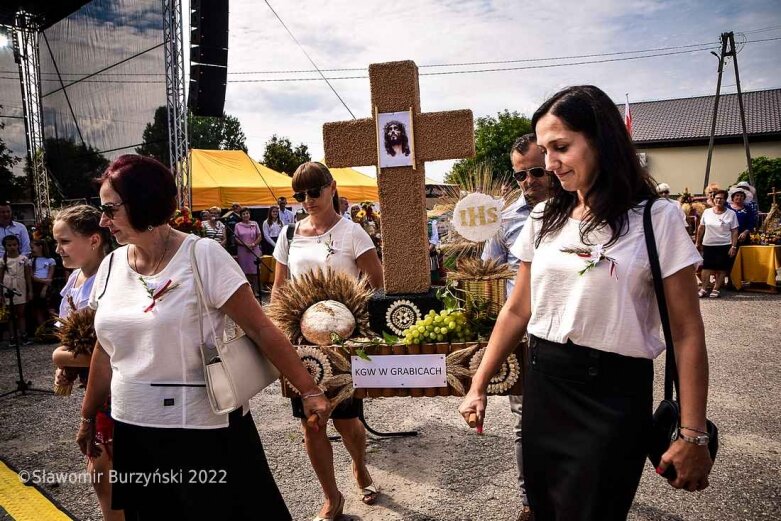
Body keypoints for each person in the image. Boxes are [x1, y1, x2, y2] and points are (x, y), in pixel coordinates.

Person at [460, 86, 713, 520]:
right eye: (544, 150)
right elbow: (518, 309)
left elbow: (687, 332)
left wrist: (693, 434)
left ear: (602, 140)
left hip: (612, 396)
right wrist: (479, 383)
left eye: (561, 147)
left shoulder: (656, 219)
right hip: (545, 384)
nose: (549, 162)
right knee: (544, 508)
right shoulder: (543, 218)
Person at [77, 154, 330, 520]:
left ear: (143, 203)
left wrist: (308, 389)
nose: (103, 220)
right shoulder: (111, 267)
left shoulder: (203, 256)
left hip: (202, 429)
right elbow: (106, 346)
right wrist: (88, 417)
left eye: (110, 209)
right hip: (134, 429)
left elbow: (261, 328)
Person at [272, 161, 383, 521]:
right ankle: (331, 498)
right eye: (299, 195)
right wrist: (278, 331)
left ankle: (359, 465)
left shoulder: (353, 233)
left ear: (331, 187)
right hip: (302, 346)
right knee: (312, 421)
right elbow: (278, 287)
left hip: (343, 344)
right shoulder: (289, 235)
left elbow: (376, 282)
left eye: (313, 192)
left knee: (347, 421)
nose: (307, 200)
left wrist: (354, 319)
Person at [480, 133, 554, 521]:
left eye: (537, 171)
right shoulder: (504, 221)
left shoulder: (578, 211)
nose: (529, 182)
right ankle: (530, 502)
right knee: (525, 422)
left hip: (566, 332)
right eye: (520, 175)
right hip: (523, 334)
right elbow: (488, 277)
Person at [49, 205, 121, 521]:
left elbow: (103, 348)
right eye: (56, 242)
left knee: (103, 467)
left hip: (117, 388)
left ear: (94, 240)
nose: (57, 249)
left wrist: (59, 357)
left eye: (64, 241)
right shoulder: (76, 278)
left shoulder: (111, 279)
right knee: (102, 471)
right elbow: (68, 336)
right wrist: (64, 368)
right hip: (97, 388)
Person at [696, 189, 738, 298]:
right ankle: (704, 289)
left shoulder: (731, 213)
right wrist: (698, 242)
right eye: (717, 198)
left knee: (721, 268)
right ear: (713, 199)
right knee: (706, 267)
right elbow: (701, 228)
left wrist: (733, 246)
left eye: (721, 198)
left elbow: (734, 231)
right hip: (708, 244)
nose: (719, 200)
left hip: (724, 244)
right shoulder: (707, 212)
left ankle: (716, 288)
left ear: (725, 200)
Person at [0, 235, 32, 345]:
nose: (12, 247)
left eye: (14, 245)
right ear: (5, 247)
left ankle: (23, 334)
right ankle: (12, 337)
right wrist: (1, 294)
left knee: (21, 313)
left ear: (18, 245)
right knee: (11, 315)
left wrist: (30, 290)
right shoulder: (3, 261)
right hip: (8, 287)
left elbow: (28, 276)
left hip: (21, 286)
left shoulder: (23, 259)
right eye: (9, 245)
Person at [234, 208, 263, 295]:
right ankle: (248, 292)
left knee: (255, 271)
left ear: (249, 214)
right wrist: (245, 245)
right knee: (245, 271)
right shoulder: (237, 225)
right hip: (243, 250)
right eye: (243, 214)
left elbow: (260, 236)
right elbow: (236, 238)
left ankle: (256, 290)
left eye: (247, 213)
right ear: (241, 216)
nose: (246, 215)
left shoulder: (255, 224)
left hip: (254, 249)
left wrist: (253, 244)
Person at [30, 238, 56, 330]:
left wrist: (45, 287)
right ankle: (42, 331)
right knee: (38, 309)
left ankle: (59, 327)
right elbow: (31, 276)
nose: (31, 249)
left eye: (33, 247)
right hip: (36, 285)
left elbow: (50, 277)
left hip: (46, 287)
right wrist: (44, 281)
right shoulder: (32, 261)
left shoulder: (50, 260)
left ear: (40, 247)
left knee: (50, 308)